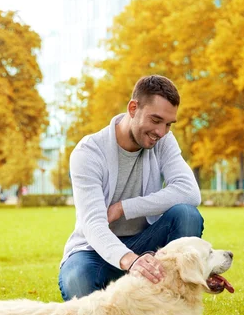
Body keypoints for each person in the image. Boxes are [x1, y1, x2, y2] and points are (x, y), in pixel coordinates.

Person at [58, 75, 203, 301]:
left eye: (168, 124)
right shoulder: (88, 153)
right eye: (156, 120)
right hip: (95, 249)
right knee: (77, 279)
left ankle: (172, 309)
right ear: (133, 108)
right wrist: (130, 260)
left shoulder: (164, 140)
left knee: (186, 215)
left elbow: (189, 192)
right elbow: (94, 224)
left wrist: (124, 207)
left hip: (146, 241)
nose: (161, 132)